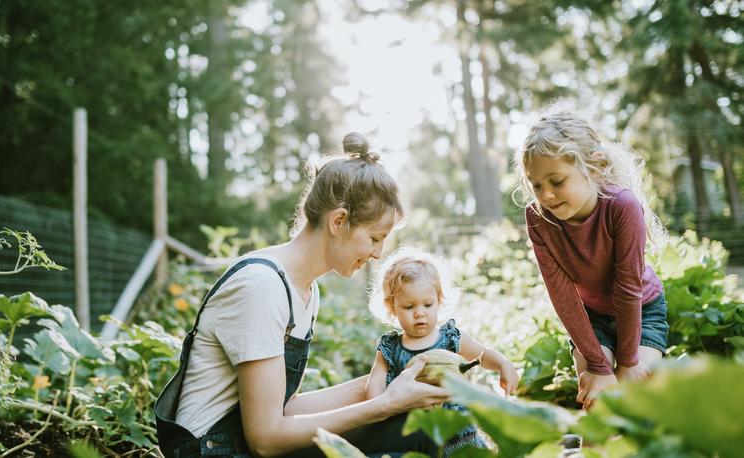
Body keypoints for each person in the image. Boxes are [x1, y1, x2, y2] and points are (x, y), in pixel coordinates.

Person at [155, 132, 450, 458]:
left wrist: (392, 381)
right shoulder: (262, 287)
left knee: (417, 421)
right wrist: (383, 405)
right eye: (375, 238)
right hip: (211, 452)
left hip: (240, 444)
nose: (379, 254)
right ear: (339, 220)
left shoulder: (304, 290)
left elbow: (285, 409)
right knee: (412, 431)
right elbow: (265, 439)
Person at [513, 104, 670, 411]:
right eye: (536, 186)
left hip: (642, 309)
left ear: (594, 168)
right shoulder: (539, 218)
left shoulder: (621, 207)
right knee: (599, 402)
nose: (546, 195)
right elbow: (562, 295)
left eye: (557, 181)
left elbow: (628, 289)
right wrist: (598, 366)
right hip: (591, 319)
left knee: (633, 399)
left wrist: (626, 363)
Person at [365, 247, 519, 454]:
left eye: (428, 304)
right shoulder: (390, 348)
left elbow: (481, 354)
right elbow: (374, 387)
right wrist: (380, 407)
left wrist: (503, 364)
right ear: (392, 307)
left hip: (457, 429)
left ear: (439, 300)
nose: (420, 313)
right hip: (415, 431)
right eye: (409, 307)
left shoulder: (450, 338)